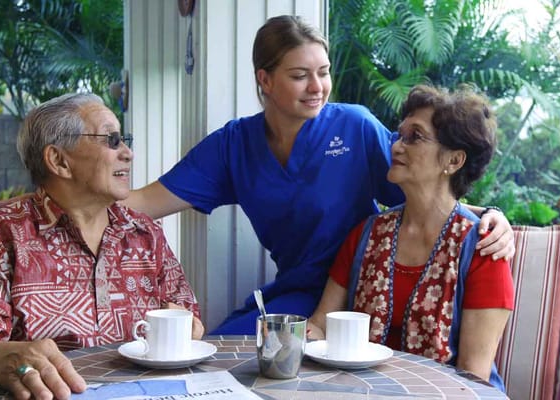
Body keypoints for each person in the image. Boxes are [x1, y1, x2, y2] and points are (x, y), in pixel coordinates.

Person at [122, 15, 515, 335]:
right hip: (298, 293)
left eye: (323, 72)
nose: (317, 87)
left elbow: (429, 195)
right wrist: (68, 196)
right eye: (299, 75)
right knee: (218, 352)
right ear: (265, 80)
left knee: (236, 358)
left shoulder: (354, 128)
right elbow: (142, 204)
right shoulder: (233, 145)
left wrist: (488, 215)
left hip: (363, 298)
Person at [0, 93, 203, 400]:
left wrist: (187, 326)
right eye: (111, 140)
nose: (128, 153)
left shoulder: (145, 234)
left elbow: (188, 317)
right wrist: (5, 357)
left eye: (124, 140)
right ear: (59, 160)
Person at [306, 84, 514, 392]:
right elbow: (321, 324)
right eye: (400, 135)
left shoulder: (482, 249)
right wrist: (291, 341)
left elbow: (473, 377)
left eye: (414, 137)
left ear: (454, 161)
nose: (396, 147)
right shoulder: (367, 235)